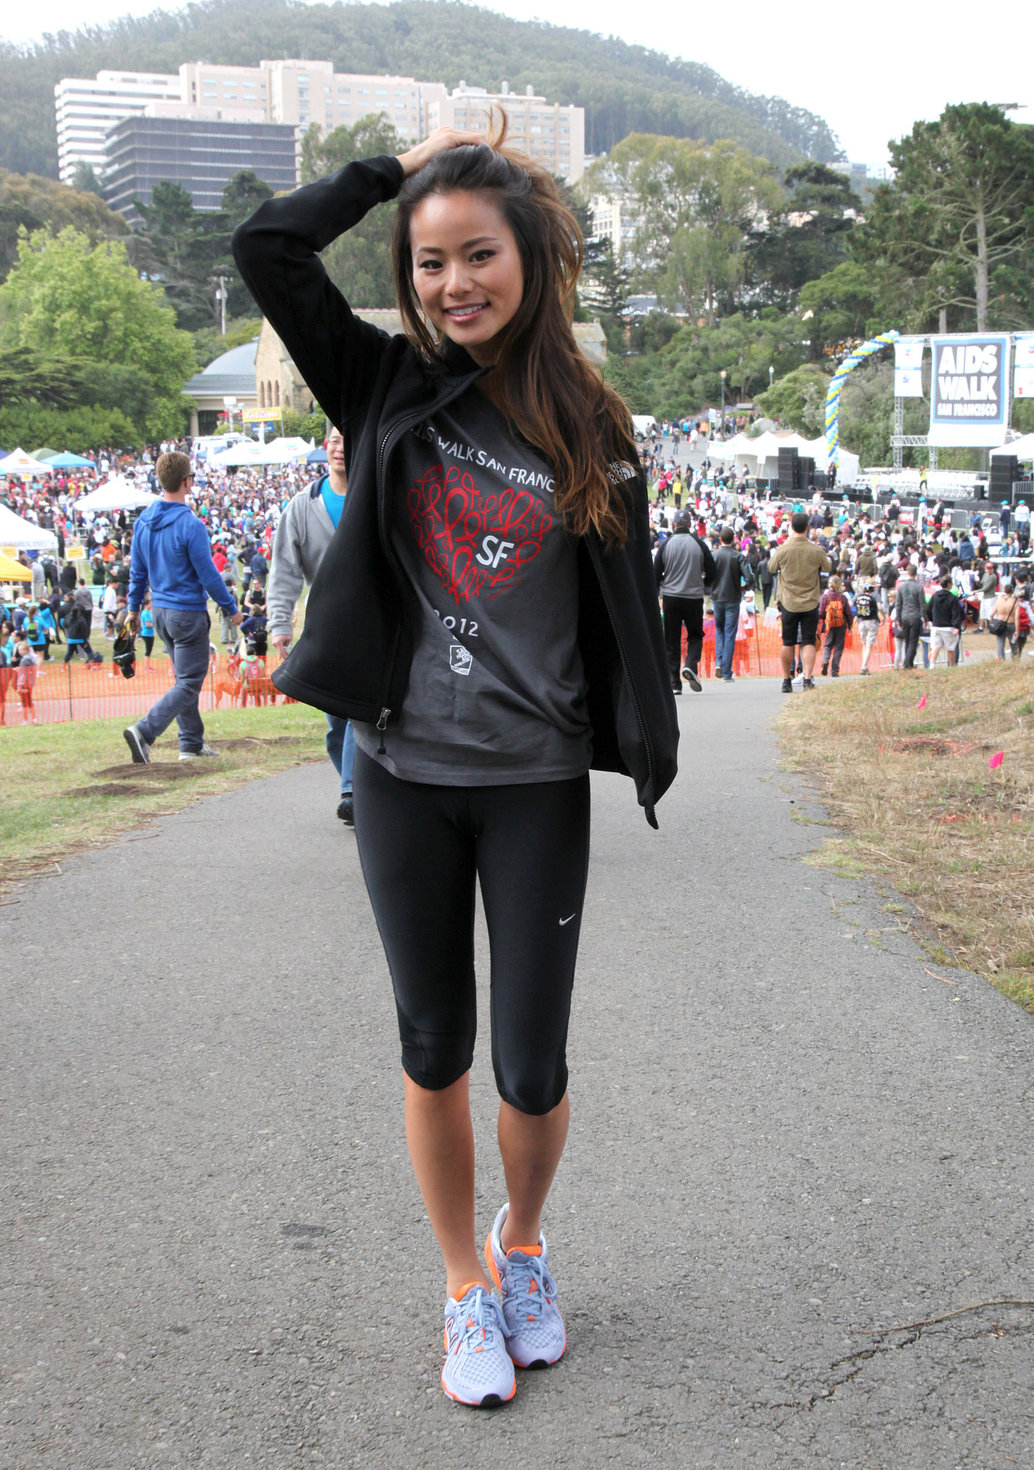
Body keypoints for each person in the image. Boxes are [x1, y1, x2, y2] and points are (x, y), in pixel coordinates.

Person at [234, 123, 678, 1407]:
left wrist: (639, 734)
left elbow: (620, 609)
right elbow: (267, 246)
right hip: (401, 775)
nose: (451, 285)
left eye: (477, 254)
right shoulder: (376, 384)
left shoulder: (586, 419)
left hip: (532, 781)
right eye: (427, 263)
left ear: (530, 260)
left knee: (531, 1068)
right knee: (434, 1048)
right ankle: (459, 1288)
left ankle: (522, 1247)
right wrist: (391, 171)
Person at [123, 451, 242, 763]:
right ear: (187, 482)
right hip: (187, 613)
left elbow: (137, 572)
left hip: (159, 612)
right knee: (189, 683)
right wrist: (231, 608)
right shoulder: (191, 525)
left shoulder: (143, 522)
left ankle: (190, 743)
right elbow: (209, 577)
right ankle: (144, 731)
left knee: (183, 680)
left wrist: (133, 609)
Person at [268, 425, 358, 822]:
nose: (341, 449)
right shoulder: (301, 508)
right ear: (326, 448)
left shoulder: (372, 496)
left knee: (359, 710)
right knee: (336, 722)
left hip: (371, 622)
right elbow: (284, 570)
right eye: (335, 441)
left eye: (348, 440)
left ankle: (353, 790)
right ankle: (353, 783)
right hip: (324, 627)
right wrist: (279, 624)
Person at [767, 511, 831, 692]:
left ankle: (787, 679)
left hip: (788, 602)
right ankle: (808, 679)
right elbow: (827, 566)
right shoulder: (815, 550)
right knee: (808, 641)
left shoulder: (783, 549)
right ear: (808, 528)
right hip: (810, 601)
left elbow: (771, 567)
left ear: (791, 527)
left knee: (788, 642)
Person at [653, 508, 714, 692]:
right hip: (693, 597)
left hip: (671, 597)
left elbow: (655, 573)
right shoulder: (699, 544)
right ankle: (690, 665)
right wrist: (704, 584)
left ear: (673, 525)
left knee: (671, 639)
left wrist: (660, 590)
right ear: (689, 525)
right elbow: (712, 570)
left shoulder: (666, 545)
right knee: (695, 635)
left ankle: (674, 683)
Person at [709, 525, 754, 682]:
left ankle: (719, 663)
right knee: (729, 634)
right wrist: (743, 588)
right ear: (733, 539)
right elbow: (750, 577)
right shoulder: (738, 557)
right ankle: (726, 671)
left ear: (720, 539)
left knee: (719, 630)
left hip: (717, 598)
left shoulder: (713, 556)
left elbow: (706, 576)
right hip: (733, 598)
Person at [818, 574, 853, 677]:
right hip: (841, 625)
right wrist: (850, 625)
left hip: (829, 625)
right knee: (838, 647)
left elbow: (820, 613)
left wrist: (823, 622)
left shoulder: (825, 597)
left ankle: (825, 661)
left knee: (827, 645)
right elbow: (848, 613)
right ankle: (834, 669)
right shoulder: (842, 597)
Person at [927, 574, 964, 667]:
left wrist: (932, 620)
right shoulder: (953, 598)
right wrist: (956, 626)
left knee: (935, 647)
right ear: (949, 584)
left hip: (936, 626)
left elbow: (928, 610)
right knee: (951, 648)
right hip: (948, 627)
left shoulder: (935, 596)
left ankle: (932, 665)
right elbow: (956, 613)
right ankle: (951, 666)